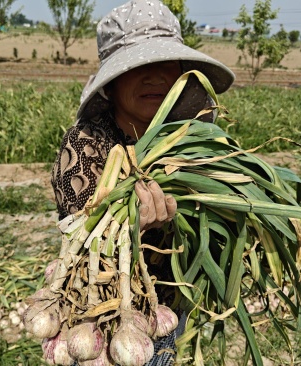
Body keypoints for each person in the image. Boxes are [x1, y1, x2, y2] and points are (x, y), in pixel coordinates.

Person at [51, 0, 235, 364]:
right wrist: (134, 224)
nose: (154, 77)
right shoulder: (85, 145)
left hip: (164, 309)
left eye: (165, 63)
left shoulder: (192, 141)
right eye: (138, 66)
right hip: (103, 317)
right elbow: (89, 237)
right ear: (112, 82)